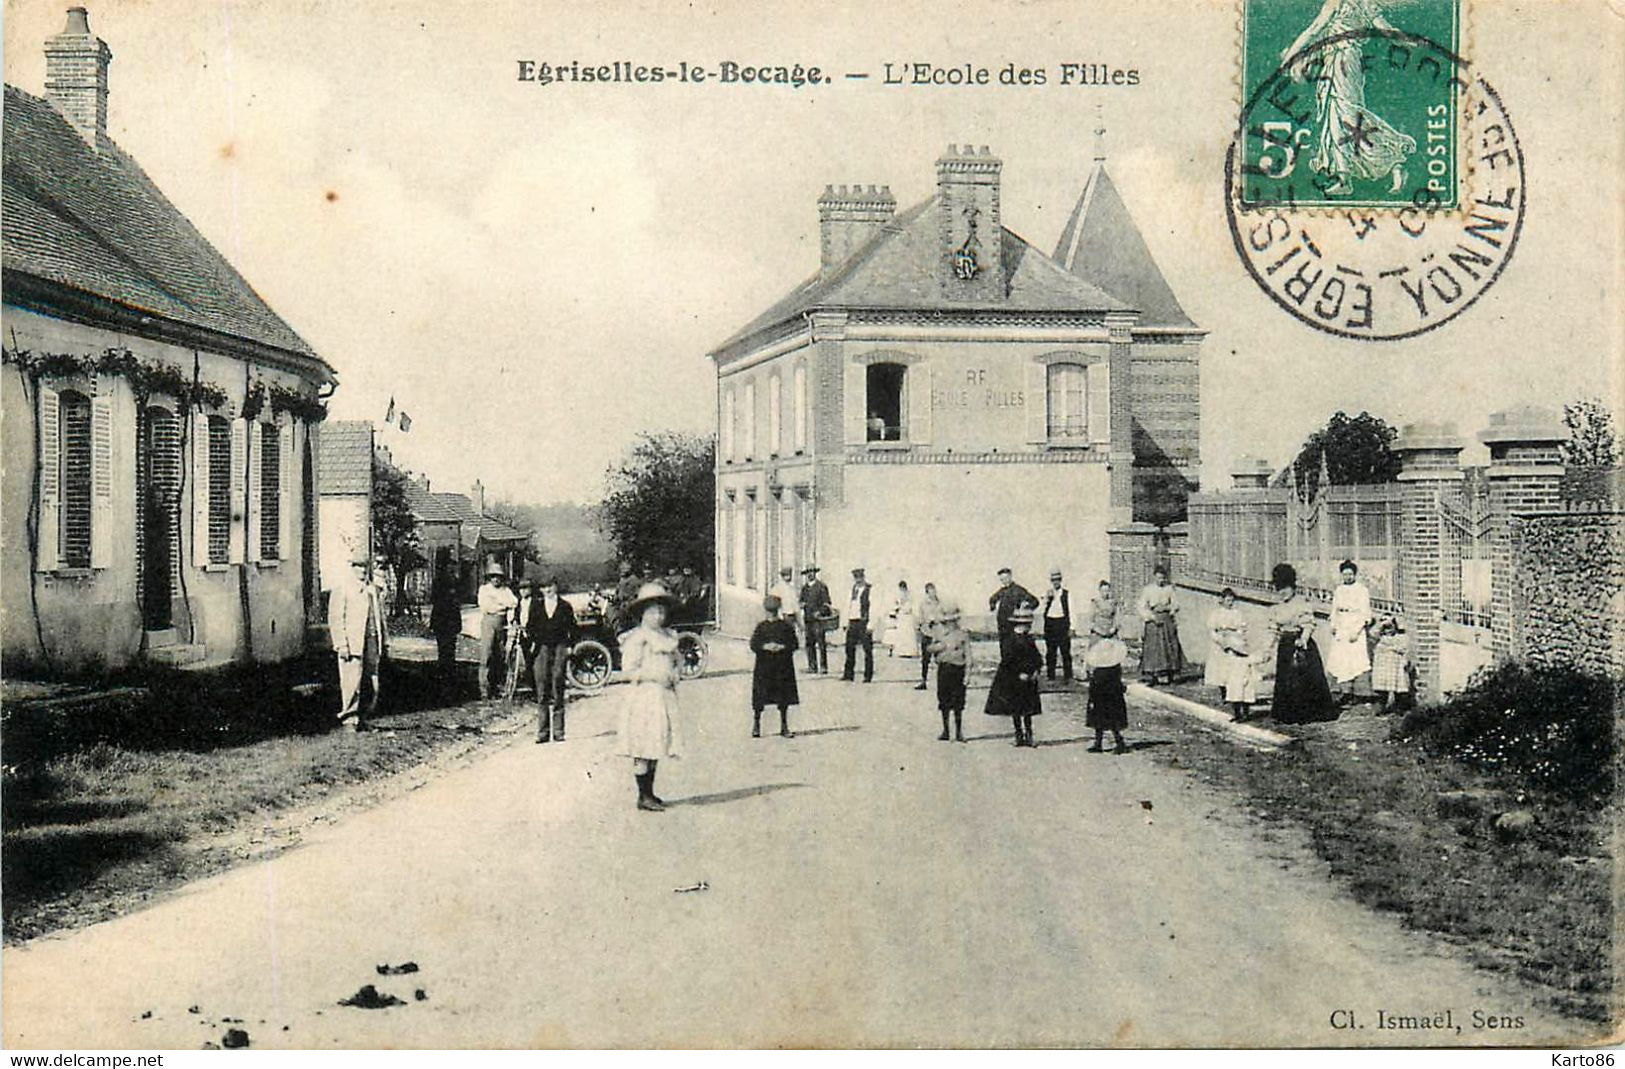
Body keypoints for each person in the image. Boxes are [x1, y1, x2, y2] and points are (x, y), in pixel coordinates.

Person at [1282, 0, 1417, 197]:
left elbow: (1312, 30)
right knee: (1339, 117)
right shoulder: (1364, 3)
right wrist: (1405, 39)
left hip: (1341, 62)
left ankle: (1392, 158)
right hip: (1343, 61)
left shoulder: (1336, 3)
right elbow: (1386, 30)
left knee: (1346, 116)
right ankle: (1346, 176)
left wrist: (1289, 58)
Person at [616, 582, 684, 812]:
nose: (659, 615)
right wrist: (654, 676)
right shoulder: (638, 639)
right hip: (644, 697)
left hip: (663, 698)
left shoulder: (667, 636)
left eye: (662, 611)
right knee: (643, 745)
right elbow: (629, 670)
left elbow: (677, 662)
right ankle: (642, 794)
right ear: (643, 613)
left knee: (657, 742)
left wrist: (674, 673)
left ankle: (650, 793)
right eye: (654, 610)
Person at [1267, 563, 1338, 723]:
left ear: (1292, 587)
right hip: (1285, 646)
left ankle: (1307, 715)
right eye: (1279, 588)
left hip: (1301, 644)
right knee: (1286, 680)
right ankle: (1287, 715)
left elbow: (1309, 624)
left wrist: (1303, 639)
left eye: (1285, 587)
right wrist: (1268, 649)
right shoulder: (1277, 607)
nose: (1282, 592)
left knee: (1303, 680)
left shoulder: (1301, 603)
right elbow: (1274, 629)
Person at [330, 553, 382, 732]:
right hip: (352, 643)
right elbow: (336, 618)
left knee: (372, 682)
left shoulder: (372, 590)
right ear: (352, 568)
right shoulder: (343, 589)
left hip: (371, 640)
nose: (362, 570)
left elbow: (379, 617)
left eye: (365, 567)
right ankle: (349, 719)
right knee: (351, 683)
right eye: (358, 566)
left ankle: (365, 717)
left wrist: (384, 641)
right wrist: (341, 644)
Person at [526, 574, 578, 743]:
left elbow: (573, 627)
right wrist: (533, 641)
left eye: (550, 586)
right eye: (543, 587)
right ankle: (542, 733)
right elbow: (529, 627)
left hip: (560, 647)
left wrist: (570, 645)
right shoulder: (536, 606)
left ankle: (558, 731)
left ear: (556, 586)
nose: (547, 590)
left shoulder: (565, 606)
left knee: (557, 683)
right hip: (542, 648)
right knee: (542, 687)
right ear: (540, 589)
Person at [985, 606, 1042, 747]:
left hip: (1029, 678)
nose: (1027, 627)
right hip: (1015, 679)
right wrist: (1018, 674)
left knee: (1028, 709)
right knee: (1016, 709)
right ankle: (1019, 735)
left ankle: (1029, 736)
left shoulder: (1030, 639)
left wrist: (1036, 670)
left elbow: (1037, 658)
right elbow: (1008, 661)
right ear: (1018, 624)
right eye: (1025, 624)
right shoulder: (1010, 641)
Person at [749, 594, 800, 739]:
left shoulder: (782, 627)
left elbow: (794, 644)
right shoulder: (765, 627)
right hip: (768, 667)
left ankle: (778, 726)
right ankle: (759, 726)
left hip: (778, 667)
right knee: (761, 697)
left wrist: (781, 646)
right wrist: (766, 646)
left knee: (781, 698)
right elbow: (754, 645)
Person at [1206, 588, 1258, 721]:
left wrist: (1235, 637)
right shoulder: (1216, 613)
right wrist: (1221, 639)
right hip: (1220, 644)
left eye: (1232, 600)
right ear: (1222, 600)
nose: (1230, 603)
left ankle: (1234, 698)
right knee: (1222, 671)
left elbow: (1242, 629)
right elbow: (1212, 630)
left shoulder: (1237, 613)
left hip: (1234, 643)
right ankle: (1225, 694)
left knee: (1235, 674)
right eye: (1227, 600)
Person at [1327, 559, 1374, 704]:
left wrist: (1357, 630)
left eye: (1350, 574)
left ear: (1355, 575)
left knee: (1355, 661)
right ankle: (1345, 691)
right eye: (1345, 574)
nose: (1347, 577)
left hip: (1355, 626)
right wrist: (1333, 625)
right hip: (1342, 625)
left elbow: (1365, 612)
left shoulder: (1362, 590)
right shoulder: (1339, 590)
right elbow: (1334, 609)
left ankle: (1359, 693)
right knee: (1341, 660)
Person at [927, 601, 970, 742]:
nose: (950, 624)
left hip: (958, 669)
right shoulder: (940, 634)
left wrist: (968, 674)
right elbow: (929, 648)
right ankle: (945, 730)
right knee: (944, 700)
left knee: (958, 702)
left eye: (952, 621)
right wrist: (940, 646)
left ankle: (958, 732)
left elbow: (969, 656)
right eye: (947, 621)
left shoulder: (963, 635)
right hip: (944, 669)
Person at [475, 561, 517, 700]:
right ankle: (484, 690)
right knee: (486, 655)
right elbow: (486, 607)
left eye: (498, 576)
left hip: (502, 623)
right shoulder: (484, 589)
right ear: (489, 577)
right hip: (489, 622)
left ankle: (496, 687)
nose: (496, 579)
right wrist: (501, 604)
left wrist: (498, 602)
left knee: (499, 656)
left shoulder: (505, 590)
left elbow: (513, 602)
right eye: (493, 576)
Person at [1137, 566, 1184, 685]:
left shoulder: (1169, 589)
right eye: (1158, 578)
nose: (1160, 580)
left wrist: (1169, 608)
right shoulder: (1148, 589)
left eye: (1162, 578)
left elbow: (1176, 604)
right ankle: (1152, 675)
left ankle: (1169, 673)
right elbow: (1141, 606)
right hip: (1153, 620)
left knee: (1169, 646)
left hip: (1166, 619)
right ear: (1154, 577)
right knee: (1153, 647)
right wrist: (1151, 616)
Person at [1084, 636, 1130, 754]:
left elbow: (1094, 685)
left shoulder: (1099, 671)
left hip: (1103, 698)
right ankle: (1113, 743)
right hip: (1113, 698)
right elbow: (1119, 684)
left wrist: (1092, 697)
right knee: (1110, 721)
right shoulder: (1115, 668)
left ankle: (1111, 743)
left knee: (1101, 721)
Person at [988, 567, 1039, 652]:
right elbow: (992, 599)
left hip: (1015, 625)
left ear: (1010, 577)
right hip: (1002, 625)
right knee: (1004, 648)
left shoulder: (1019, 590)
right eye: (1002, 580)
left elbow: (1035, 601)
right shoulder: (1002, 591)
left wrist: (1026, 606)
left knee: (1015, 649)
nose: (1004, 582)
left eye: (1005, 579)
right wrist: (992, 606)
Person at [1371, 615, 1412, 714]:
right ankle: (1381, 706)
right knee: (1381, 688)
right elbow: (1373, 634)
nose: (1388, 631)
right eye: (1386, 629)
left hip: (1396, 665)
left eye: (1390, 628)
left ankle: (1399, 707)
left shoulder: (1400, 637)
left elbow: (1404, 648)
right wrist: (1381, 625)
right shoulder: (1380, 637)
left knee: (1398, 686)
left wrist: (1391, 648)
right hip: (1382, 666)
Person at [841, 567, 875, 683]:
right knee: (849, 648)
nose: (858, 580)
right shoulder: (852, 590)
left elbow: (874, 609)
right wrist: (845, 622)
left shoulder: (870, 590)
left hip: (864, 622)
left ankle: (868, 675)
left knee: (867, 650)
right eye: (856, 578)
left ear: (863, 577)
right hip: (852, 621)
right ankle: (848, 674)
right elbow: (847, 607)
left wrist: (871, 625)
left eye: (860, 577)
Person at [429, 561, 462, 676]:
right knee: (443, 644)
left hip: (451, 618)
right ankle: (444, 666)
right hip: (441, 617)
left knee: (450, 644)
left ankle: (449, 667)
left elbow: (459, 601)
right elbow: (433, 599)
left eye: (453, 570)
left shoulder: (457, 583)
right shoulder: (438, 582)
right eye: (449, 570)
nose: (452, 572)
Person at [1041, 569, 1074, 682]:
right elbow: (1043, 608)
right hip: (1050, 624)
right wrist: (1047, 599)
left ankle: (1068, 676)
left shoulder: (1066, 594)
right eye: (1053, 580)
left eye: (1057, 580)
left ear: (1061, 581)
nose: (1055, 583)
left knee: (1065, 651)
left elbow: (1072, 610)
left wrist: (1072, 627)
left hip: (1062, 623)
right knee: (1051, 651)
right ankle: (1051, 676)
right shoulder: (1048, 593)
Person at [799, 565, 833, 674]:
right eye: (808, 572)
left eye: (812, 572)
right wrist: (802, 605)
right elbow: (801, 601)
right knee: (809, 643)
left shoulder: (821, 587)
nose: (810, 574)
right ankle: (812, 666)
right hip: (808, 619)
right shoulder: (804, 588)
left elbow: (827, 604)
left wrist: (820, 612)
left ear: (815, 573)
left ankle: (823, 667)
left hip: (818, 620)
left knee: (821, 643)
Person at [915, 582, 944, 691]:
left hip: (938, 634)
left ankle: (942, 682)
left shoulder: (940, 603)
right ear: (926, 592)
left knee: (940, 658)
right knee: (925, 659)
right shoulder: (923, 604)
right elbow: (920, 619)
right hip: (927, 633)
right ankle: (923, 681)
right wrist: (921, 627)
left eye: (934, 590)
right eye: (930, 591)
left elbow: (944, 616)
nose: (933, 593)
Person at [887, 580, 919, 659]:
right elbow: (896, 604)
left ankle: (909, 651)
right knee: (902, 634)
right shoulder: (900, 595)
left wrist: (901, 607)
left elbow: (910, 605)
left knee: (908, 634)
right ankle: (902, 651)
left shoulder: (909, 595)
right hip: (902, 617)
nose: (902, 589)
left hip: (907, 616)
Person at [1087, 579, 1121, 647]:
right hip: (1098, 633)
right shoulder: (1095, 603)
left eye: (1107, 591)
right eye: (1103, 591)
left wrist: (1113, 629)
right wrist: (1100, 631)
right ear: (1099, 591)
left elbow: (1117, 617)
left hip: (1110, 632)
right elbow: (1090, 620)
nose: (1105, 593)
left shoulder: (1113, 603)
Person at [612, 560, 643, 632]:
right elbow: (617, 594)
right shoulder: (622, 580)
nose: (623, 569)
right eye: (622, 568)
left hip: (630, 606)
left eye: (625, 567)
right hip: (623, 606)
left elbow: (637, 594)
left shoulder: (633, 579)